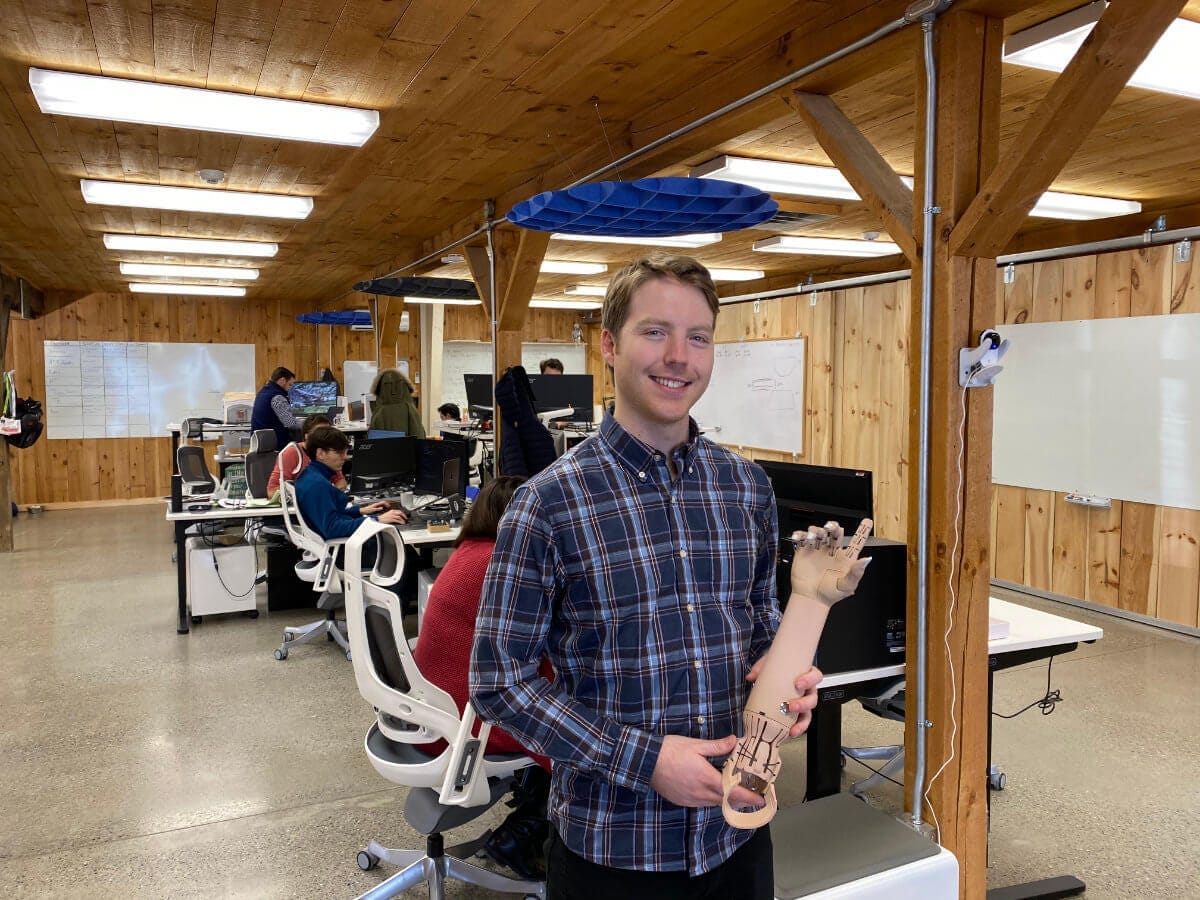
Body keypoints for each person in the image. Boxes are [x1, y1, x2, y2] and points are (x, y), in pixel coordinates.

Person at [470, 254, 825, 899]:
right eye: (655, 332)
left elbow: (759, 634)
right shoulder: (548, 504)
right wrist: (643, 760)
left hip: (737, 835)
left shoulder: (745, 488)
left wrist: (788, 686)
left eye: (698, 337)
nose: (679, 358)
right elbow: (499, 683)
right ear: (609, 345)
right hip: (613, 847)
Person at [412, 475, 551, 879]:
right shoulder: (498, 565)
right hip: (467, 720)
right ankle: (525, 833)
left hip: (434, 709)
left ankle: (526, 820)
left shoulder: (468, 550)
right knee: (577, 729)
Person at [293, 425, 406, 539]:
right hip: (344, 548)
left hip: (342, 543)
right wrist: (377, 519)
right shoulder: (316, 484)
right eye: (340, 453)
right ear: (320, 453)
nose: (345, 457)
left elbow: (334, 514)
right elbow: (332, 528)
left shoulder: (313, 475)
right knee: (403, 545)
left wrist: (361, 511)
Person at [266, 413, 345, 497]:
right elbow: (272, 491)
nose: (327, 438)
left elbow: (340, 481)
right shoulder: (291, 453)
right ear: (307, 436)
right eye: (321, 434)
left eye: (328, 434)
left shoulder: (328, 454)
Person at [252, 366, 301, 449]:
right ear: (282, 380)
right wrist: (310, 423)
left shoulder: (263, 392)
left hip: (261, 442)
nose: (290, 388)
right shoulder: (277, 397)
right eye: (290, 384)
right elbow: (291, 423)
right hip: (275, 444)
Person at [369, 368, 425, 437]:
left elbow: (373, 439)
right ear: (404, 386)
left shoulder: (379, 412)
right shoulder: (410, 408)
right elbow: (419, 435)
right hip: (407, 447)